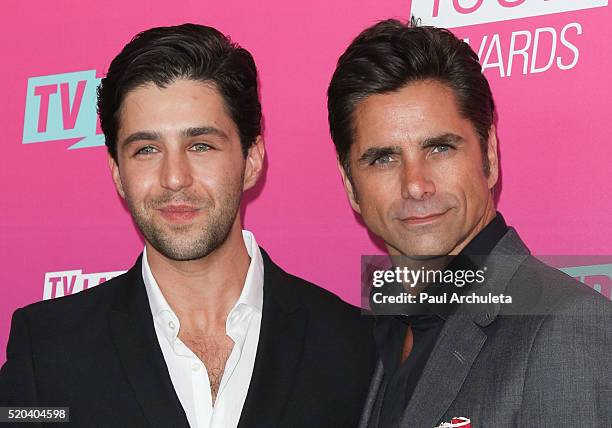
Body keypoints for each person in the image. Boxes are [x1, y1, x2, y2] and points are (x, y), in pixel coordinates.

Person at [0, 23, 376, 427]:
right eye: (146, 149)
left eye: (200, 146)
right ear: (117, 173)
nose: (174, 177)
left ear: (251, 159)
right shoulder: (49, 350)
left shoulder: (356, 347)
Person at [327, 19, 610, 427]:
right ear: (351, 185)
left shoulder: (566, 330)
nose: (416, 185)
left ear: (489, 156)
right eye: (384, 158)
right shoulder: (371, 336)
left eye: (440, 148)